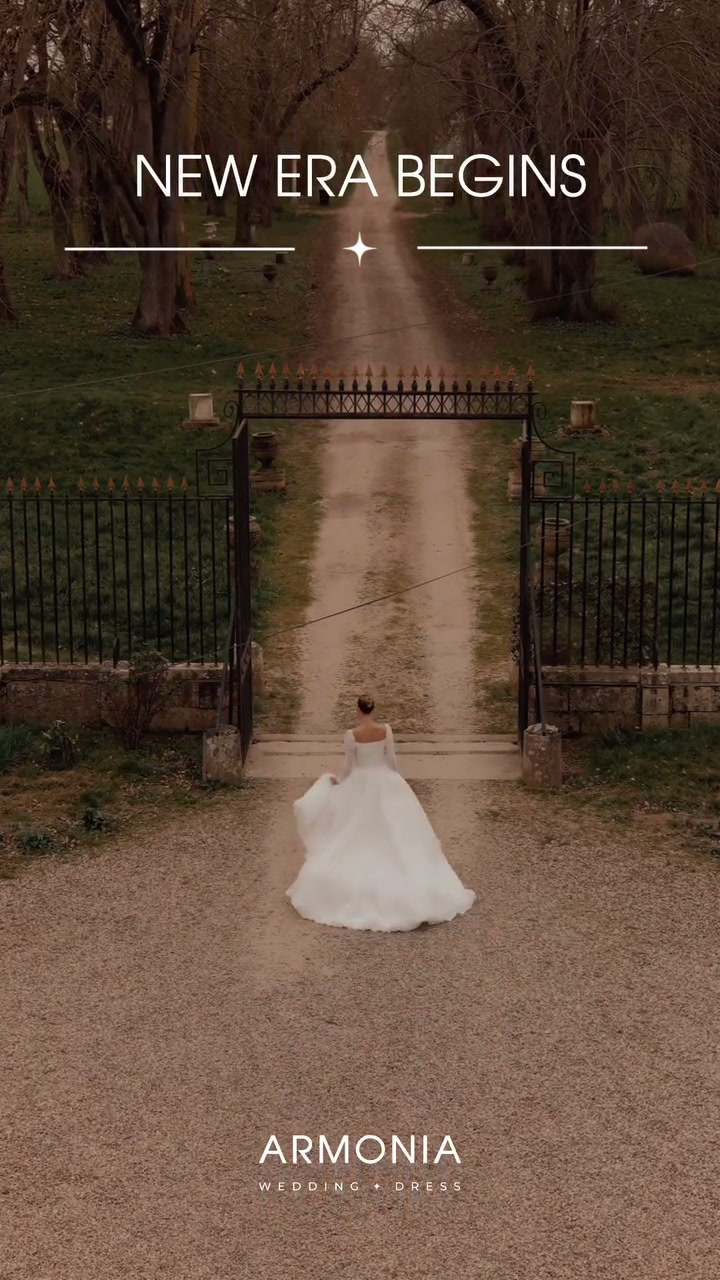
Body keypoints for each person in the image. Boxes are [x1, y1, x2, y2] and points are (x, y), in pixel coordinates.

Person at [287, 695, 476, 932]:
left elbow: (349, 766)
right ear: (372, 709)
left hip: (361, 781)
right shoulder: (385, 730)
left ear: (358, 710)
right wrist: (398, 782)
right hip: (384, 779)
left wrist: (338, 781)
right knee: (396, 828)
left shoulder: (352, 735)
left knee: (355, 830)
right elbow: (392, 760)